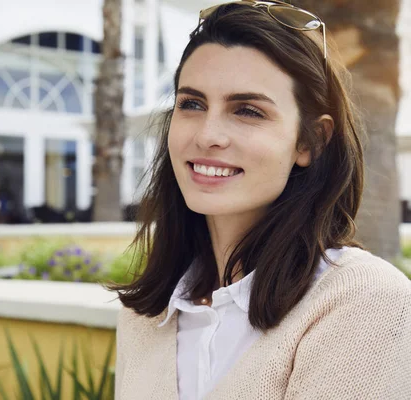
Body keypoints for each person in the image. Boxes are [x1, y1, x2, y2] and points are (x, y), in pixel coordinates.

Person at [111, 1, 411, 399]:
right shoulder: (145, 314)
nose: (207, 134)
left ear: (310, 141)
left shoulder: (363, 301)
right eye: (192, 104)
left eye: (248, 111)